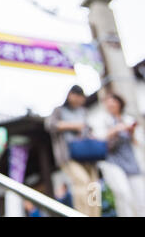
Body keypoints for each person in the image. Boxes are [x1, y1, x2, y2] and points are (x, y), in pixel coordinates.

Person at [45, 85, 100, 217]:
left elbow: (89, 129)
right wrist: (74, 126)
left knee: (93, 187)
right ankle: (83, 214)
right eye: (77, 95)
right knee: (82, 182)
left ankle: (95, 215)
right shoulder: (59, 111)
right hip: (68, 155)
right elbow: (50, 125)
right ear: (70, 95)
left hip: (88, 155)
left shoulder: (83, 111)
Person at [96, 93, 145, 217]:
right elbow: (99, 140)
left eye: (113, 101)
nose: (110, 104)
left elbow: (140, 143)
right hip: (114, 163)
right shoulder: (102, 120)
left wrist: (131, 133)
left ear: (119, 103)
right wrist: (114, 130)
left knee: (142, 202)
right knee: (124, 196)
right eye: (107, 102)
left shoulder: (129, 119)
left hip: (133, 164)